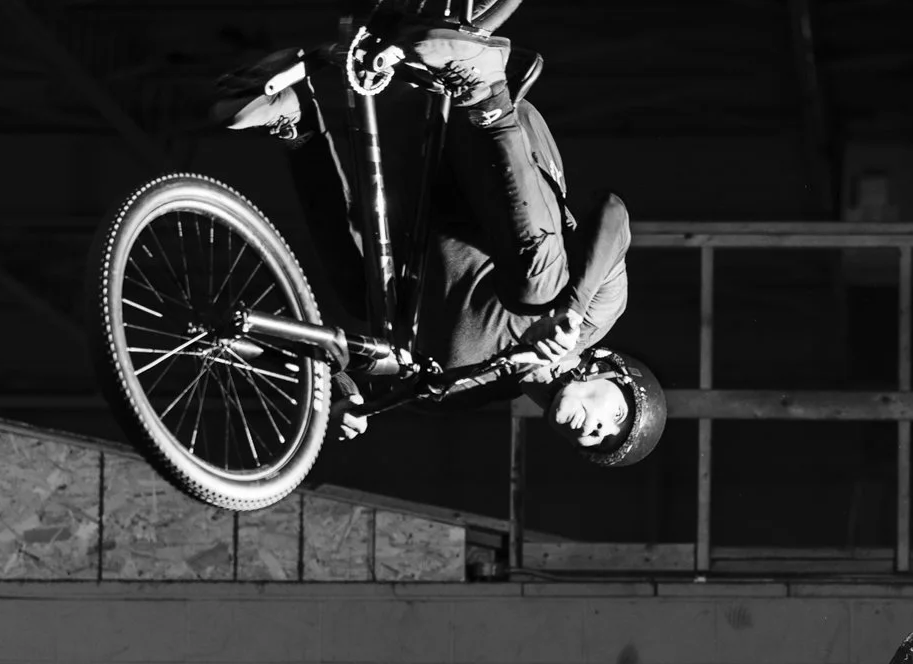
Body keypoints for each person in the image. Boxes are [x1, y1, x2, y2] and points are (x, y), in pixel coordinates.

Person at [213, 26, 666, 468]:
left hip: (412, 183)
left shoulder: (462, 392)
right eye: (617, 418)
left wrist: (345, 396)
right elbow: (613, 214)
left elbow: (361, 363)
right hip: (486, 141)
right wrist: (569, 309)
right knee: (538, 295)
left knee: (376, 317)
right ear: (611, 369)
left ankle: (294, 121)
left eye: (597, 444)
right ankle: (485, 86)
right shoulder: (596, 316)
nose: (595, 432)